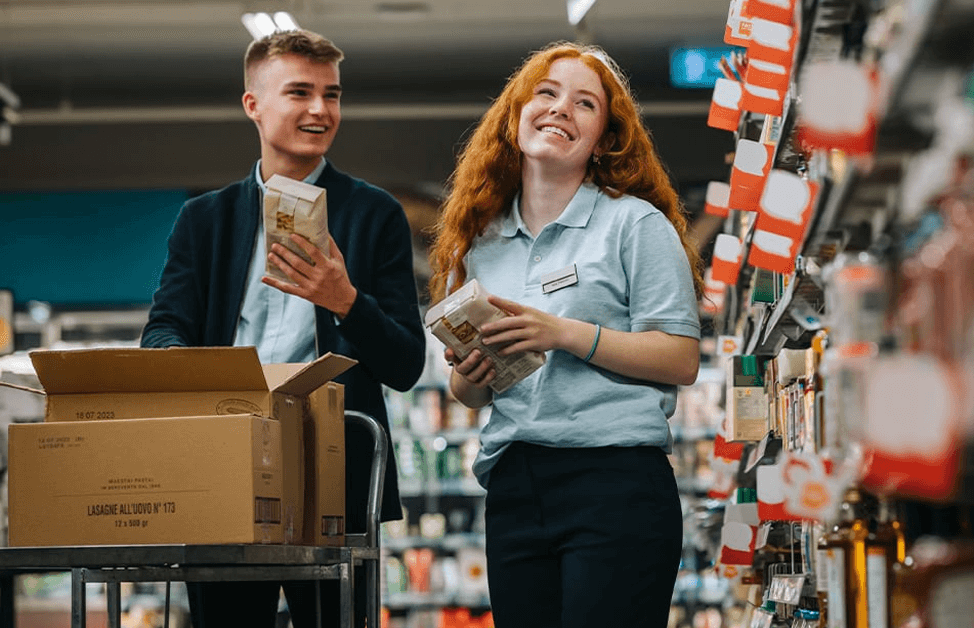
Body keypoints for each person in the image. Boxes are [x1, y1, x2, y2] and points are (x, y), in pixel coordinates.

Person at [141, 29, 425, 628]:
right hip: (223, 467)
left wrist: (345, 300)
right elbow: (163, 331)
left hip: (336, 473)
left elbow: (405, 364)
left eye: (332, 94)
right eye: (300, 92)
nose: (321, 110)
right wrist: (190, 368)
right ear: (253, 104)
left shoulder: (374, 215)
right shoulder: (205, 220)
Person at [427, 41, 704, 628]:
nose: (559, 109)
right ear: (516, 115)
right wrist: (470, 377)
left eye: (584, 104)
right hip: (514, 485)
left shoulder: (633, 224)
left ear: (603, 139)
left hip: (616, 482)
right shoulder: (481, 241)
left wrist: (564, 333)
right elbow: (470, 394)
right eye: (546, 94)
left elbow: (680, 358)